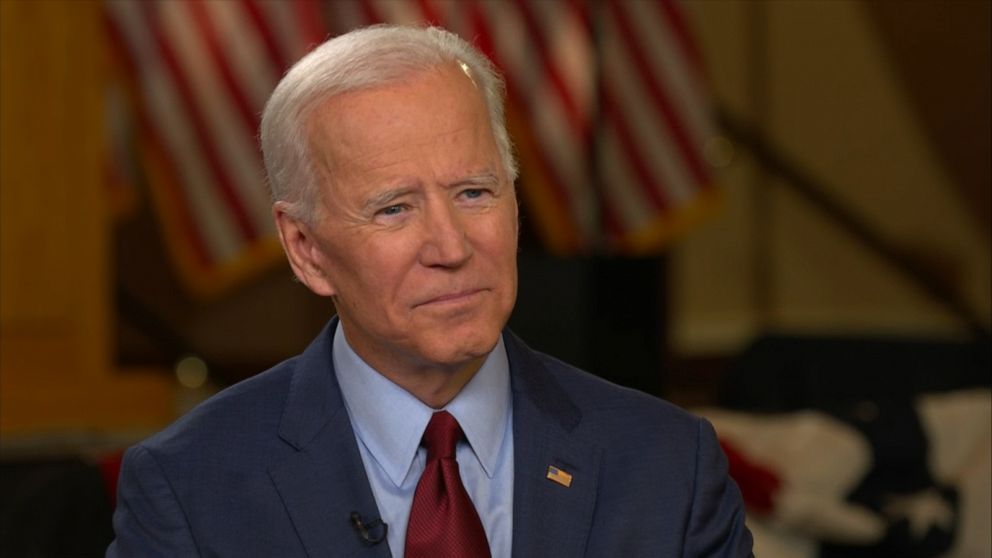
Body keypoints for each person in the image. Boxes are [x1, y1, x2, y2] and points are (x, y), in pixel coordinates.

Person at [108, 25, 753, 558]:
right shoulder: (190, 488)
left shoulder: (670, 468)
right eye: (394, 209)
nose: (451, 248)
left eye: (474, 192)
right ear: (306, 250)